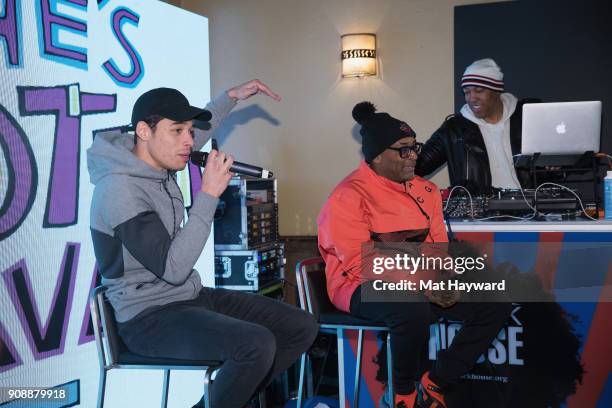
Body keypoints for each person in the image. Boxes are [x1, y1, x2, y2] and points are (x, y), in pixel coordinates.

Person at [87, 80, 318, 407]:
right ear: (143, 131)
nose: (188, 141)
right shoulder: (119, 189)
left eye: (190, 132)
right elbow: (173, 269)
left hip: (189, 299)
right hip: (146, 317)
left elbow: (197, 130)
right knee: (256, 345)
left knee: (301, 327)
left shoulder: (156, 160)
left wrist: (230, 99)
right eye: (178, 131)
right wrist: (208, 195)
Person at [317, 101, 511, 408]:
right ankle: (402, 394)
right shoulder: (348, 196)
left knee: (494, 301)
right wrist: (423, 283)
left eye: (415, 146)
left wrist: (445, 278)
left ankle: (434, 383)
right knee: (412, 309)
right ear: (378, 156)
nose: (414, 155)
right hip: (355, 285)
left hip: (418, 285)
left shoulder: (426, 191)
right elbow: (358, 263)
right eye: (404, 149)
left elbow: (437, 248)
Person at [415, 58, 539, 194]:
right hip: (479, 212)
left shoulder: (527, 116)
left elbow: (550, 160)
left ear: (497, 91)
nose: (472, 98)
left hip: (529, 206)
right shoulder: (454, 129)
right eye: (467, 92)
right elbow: (417, 166)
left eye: (479, 90)